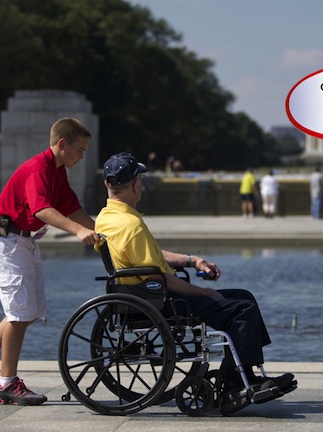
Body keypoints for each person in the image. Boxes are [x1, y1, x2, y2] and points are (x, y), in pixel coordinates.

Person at [95, 152, 297, 415]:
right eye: (141, 180)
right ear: (134, 185)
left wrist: (192, 261)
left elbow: (151, 257)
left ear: (107, 184)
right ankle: (235, 384)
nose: (142, 185)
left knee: (243, 296)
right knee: (242, 309)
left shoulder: (107, 217)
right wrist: (204, 292)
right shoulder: (131, 225)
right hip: (160, 299)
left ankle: (243, 374)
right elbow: (159, 276)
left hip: (142, 293)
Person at [0, 118, 99, 406]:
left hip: (22, 242)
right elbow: (42, 209)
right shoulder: (38, 168)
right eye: (80, 150)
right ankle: (6, 383)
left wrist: (99, 232)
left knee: (29, 311)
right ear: (62, 144)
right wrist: (78, 231)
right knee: (20, 313)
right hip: (6, 243)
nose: (82, 157)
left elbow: (72, 209)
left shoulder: (57, 172)